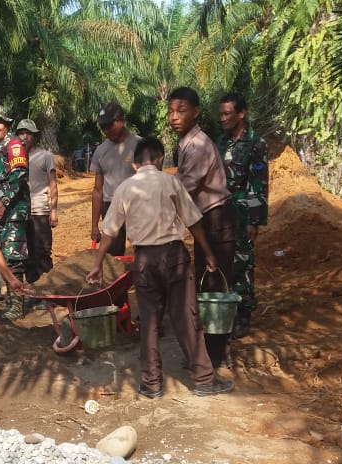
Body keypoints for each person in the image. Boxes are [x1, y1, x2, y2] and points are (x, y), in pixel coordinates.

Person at [86, 138, 234, 397]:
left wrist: (97, 264)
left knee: (150, 323)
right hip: (174, 256)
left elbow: (109, 231)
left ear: (134, 165)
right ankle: (204, 380)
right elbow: (193, 222)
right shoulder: (171, 182)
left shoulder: (124, 188)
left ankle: (152, 384)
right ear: (159, 159)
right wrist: (209, 255)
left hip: (143, 261)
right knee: (187, 317)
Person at [168, 86, 239, 369]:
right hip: (205, 219)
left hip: (216, 219)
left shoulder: (196, 145)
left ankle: (216, 354)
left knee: (214, 288)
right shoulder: (187, 141)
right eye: (171, 111)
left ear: (196, 112)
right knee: (207, 282)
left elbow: (183, 190)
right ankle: (211, 351)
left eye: (181, 111)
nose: (174, 117)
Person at [217, 92, 269, 339]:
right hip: (220, 210)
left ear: (241, 114)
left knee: (242, 262)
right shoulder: (221, 142)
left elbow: (258, 183)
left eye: (227, 113)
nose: (223, 118)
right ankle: (224, 309)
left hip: (242, 210)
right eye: (221, 113)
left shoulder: (255, 143)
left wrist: (253, 221)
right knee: (221, 262)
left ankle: (244, 312)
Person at [0, 104, 30, 320]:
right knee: (0, 253)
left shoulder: (14, 144)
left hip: (13, 210)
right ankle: (11, 300)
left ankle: (17, 305)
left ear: (7, 123)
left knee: (13, 256)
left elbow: (19, 175)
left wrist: (3, 202)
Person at [90, 102, 142, 257]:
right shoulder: (100, 151)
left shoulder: (140, 145)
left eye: (109, 125)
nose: (106, 131)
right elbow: (98, 190)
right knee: (112, 256)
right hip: (111, 207)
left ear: (121, 120)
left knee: (144, 249)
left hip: (137, 205)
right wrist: (94, 226)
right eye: (102, 127)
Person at [15, 119, 58, 286]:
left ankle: (49, 289)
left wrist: (53, 210)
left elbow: (53, 183)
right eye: (21, 133)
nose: (24, 136)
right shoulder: (14, 157)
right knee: (27, 253)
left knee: (42, 251)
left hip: (40, 209)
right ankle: (34, 289)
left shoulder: (45, 156)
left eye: (28, 133)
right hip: (21, 211)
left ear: (35, 136)